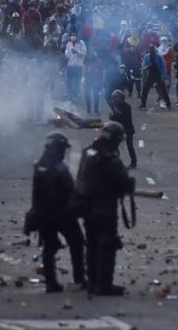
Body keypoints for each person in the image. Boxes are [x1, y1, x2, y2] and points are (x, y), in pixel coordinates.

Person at [75, 122, 136, 296]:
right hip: (104, 209)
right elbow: (124, 184)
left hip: (86, 207)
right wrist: (130, 184)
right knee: (107, 245)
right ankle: (104, 285)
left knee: (92, 244)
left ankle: (93, 282)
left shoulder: (88, 153)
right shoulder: (111, 160)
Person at [30, 133, 86, 292]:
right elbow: (70, 190)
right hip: (62, 213)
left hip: (43, 213)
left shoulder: (39, 165)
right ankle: (79, 278)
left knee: (49, 247)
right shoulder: (59, 169)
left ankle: (50, 282)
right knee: (76, 243)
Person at [109, 90, 137, 168]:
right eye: (114, 98)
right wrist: (111, 116)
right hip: (119, 130)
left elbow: (125, 116)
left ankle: (134, 162)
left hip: (128, 130)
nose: (115, 100)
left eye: (117, 98)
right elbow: (113, 119)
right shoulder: (115, 107)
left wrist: (117, 112)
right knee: (114, 146)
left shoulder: (127, 106)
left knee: (130, 146)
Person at [139, 45, 171, 110]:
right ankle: (143, 104)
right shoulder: (147, 57)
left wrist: (162, 76)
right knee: (145, 89)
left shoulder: (159, 57)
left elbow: (163, 67)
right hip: (151, 75)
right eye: (151, 50)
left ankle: (168, 105)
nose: (152, 52)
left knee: (164, 90)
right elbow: (143, 67)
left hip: (158, 75)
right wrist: (148, 66)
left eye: (153, 50)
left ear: (155, 50)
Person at [64, 30, 86, 100]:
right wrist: (66, 56)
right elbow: (66, 53)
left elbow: (84, 53)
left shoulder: (82, 43)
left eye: (74, 35)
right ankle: (69, 93)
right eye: (71, 35)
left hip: (78, 66)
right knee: (69, 80)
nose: (73, 37)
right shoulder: (69, 44)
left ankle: (76, 94)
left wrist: (77, 52)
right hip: (70, 65)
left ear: (76, 36)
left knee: (77, 81)